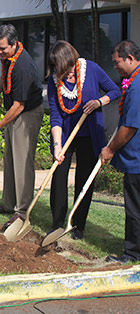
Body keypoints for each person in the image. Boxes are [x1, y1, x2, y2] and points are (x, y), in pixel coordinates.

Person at [47, 40, 120, 240]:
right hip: (65, 136)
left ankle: (78, 225)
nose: (61, 72)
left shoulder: (91, 70)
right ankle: (57, 224)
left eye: (62, 68)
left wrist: (98, 102)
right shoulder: (54, 81)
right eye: (56, 68)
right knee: (58, 177)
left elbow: (115, 91)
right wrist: (57, 146)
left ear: (71, 61)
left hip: (89, 135)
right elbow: (55, 115)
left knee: (84, 179)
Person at [0, 24, 44, 231]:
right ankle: (8, 204)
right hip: (14, 110)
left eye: (3, 49)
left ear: (14, 44)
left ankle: (22, 211)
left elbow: (20, 105)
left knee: (22, 162)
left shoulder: (23, 66)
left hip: (26, 115)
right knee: (10, 159)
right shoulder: (9, 59)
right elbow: (5, 73)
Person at [101, 40, 140, 263]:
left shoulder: (136, 86)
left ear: (130, 59)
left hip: (137, 159)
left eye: (117, 62)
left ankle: (132, 253)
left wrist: (110, 148)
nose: (115, 67)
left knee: (134, 207)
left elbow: (129, 127)